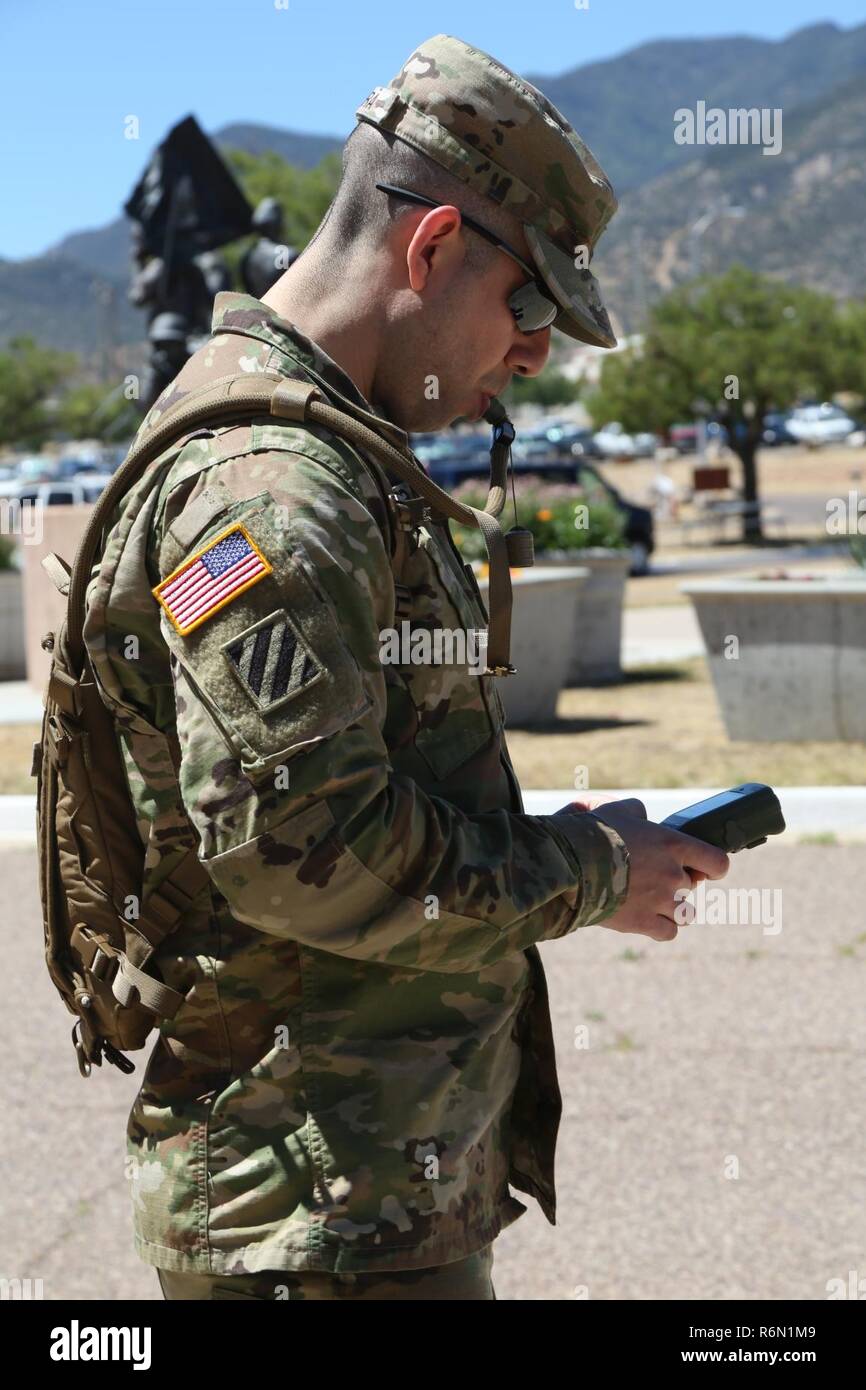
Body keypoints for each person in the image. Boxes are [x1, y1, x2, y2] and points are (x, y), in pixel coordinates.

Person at [85, 32, 729, 1301]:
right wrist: (594, 868)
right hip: (320, 1216)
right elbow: (300, 848)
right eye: (530, 304)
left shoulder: (310, 441)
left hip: (353, 1187)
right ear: (429, 247)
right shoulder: (270, 490)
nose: (534, 354)